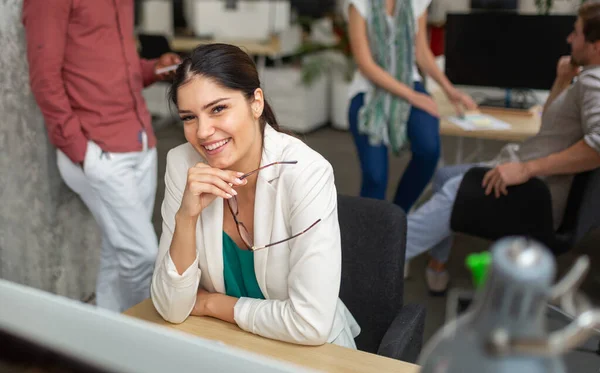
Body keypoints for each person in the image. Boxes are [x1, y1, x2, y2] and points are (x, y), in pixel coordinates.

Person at [150, 44, 361, 347]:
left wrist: (212, 304)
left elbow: (310, 323)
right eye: (189, 117)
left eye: (218, 109)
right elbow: (171, 307)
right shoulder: (182, 164)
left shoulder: (306, 173)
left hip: (308, 356)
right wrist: (186, 218)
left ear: (256, 103)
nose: (204, 131)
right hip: (227, 347)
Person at [406, 1, 600, 295]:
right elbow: (552, 126)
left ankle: (375, 256)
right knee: (446, 176)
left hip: (537, 195)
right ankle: (437, 263)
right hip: (532, 180)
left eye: (576, 33)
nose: (569, 39)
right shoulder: (585, 77)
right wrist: (562, 80)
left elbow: (598, 146)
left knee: (453, 190)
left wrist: (526, 168)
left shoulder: (595, 82)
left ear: (596, 45)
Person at [22, 0, 181, 312]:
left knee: (115, 252)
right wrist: (81, 152)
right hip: (101, 152)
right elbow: (45, 78)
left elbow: (115, 69)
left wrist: (155, 68)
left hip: (141, 142)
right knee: (143, 255)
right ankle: (145, 338)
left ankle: (107, 337)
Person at [345, 0, 477, 213]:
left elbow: (422, 53)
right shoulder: (359, 4)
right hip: (369, 90)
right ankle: (370, 233)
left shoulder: (417, 2)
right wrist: (412, 96)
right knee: (375, 176)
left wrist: (449, 89)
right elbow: (365, 64)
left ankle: (398, 214)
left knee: (429, 149)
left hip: (409, 80)